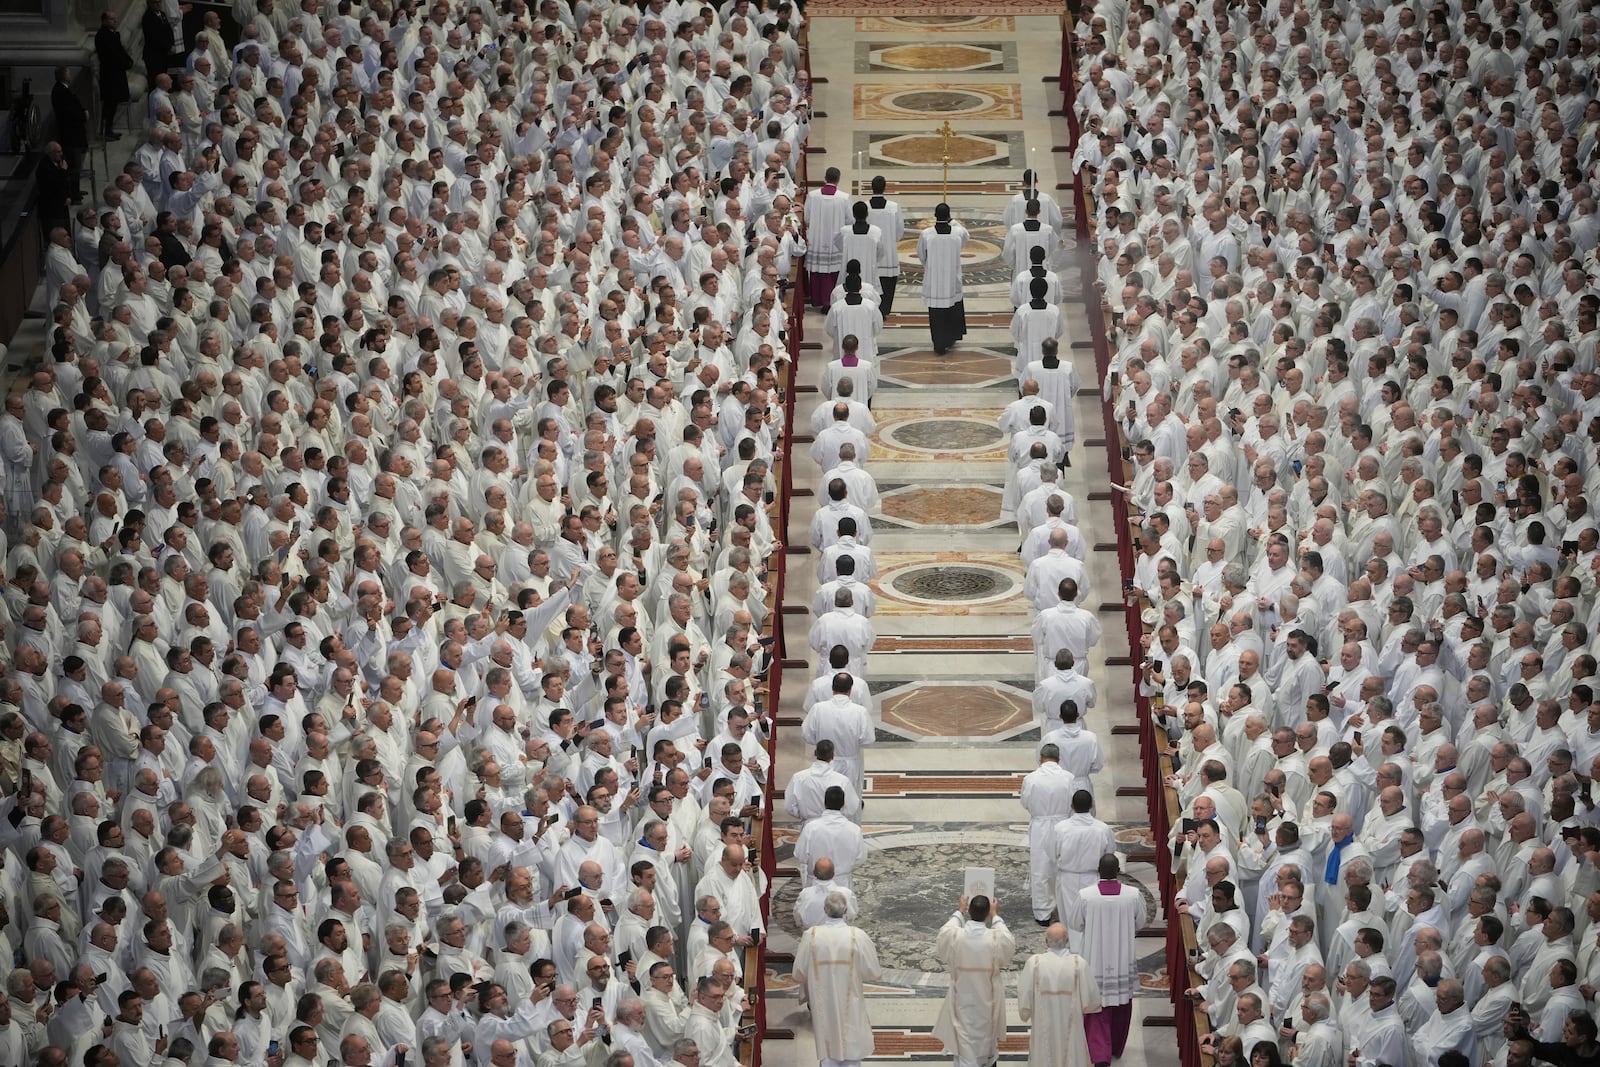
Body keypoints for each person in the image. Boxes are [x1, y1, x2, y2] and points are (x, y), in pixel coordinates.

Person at [792, 891, 882, 1067]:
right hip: (850, 999)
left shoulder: (812, 936)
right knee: (851, 1040)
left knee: (828, 1043)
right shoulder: (857, 936)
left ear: (825, 909)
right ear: (846, 910)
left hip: (823, 999)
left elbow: (799, 972)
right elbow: (872, 971)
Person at [933, 894, 1015, 1067]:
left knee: (963, 1041)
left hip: (962, 999)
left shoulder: (956, 936)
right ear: (987, 914)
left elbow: (944, 934)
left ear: (969, 911)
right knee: (985, 1040)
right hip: (987, 999)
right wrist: (996, 916)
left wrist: (959, 911)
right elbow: (1008, 942)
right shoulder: (995, 939)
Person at [1077, 854, 1141, 1066]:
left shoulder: (1086, 895)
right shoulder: (1132, 895)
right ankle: (1115, 1046)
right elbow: (1140, 922)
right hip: (1122, 957)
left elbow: (1076, 923)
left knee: (1097, 1007)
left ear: (1098, 870)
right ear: (1118, 871)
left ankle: (1099, 1054)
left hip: (1096, 958)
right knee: (1121, 1004)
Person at [1018, 923, 1101, 1067]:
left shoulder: (1034, 963)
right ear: (1068, 940)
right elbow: (1092, 1002)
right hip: (1072, 1027)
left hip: (1042, 1028)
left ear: (1045, 941)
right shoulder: (1079, 964)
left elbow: (1025, 998)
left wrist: (1025, 1012)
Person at [916, 203, 969, 355]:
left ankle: (938, 343)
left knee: (935, 313)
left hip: (934, 279)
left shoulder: (927, 234)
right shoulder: (957, 233)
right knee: (950, 309)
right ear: (948, 216)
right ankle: (948, 339)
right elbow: (966, 236)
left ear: (934, 216)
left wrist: (930, 266)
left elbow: (921, 254)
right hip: (951, 278)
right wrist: (952, 221)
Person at [863, 176, 904, 316]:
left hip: (870, 253)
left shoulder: (865, 207)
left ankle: (872, 309)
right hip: (889, 253)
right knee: (888, 283)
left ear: (871, 187)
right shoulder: (894, 207)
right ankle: (884, 310)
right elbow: (900, 231)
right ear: (885, 187)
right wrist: (891, 241)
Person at [93, 12, 132, 137]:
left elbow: (120, 51)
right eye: (111, 19)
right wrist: (125, 63)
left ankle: (108, 130)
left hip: (116, 74)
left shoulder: (113, 35)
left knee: (113, 104)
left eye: (115, 19)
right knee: (109, 104)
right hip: (110, 75)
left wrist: (128, 61)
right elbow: (112, 55)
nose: (114, 21)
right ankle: (106, 131)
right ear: (104, 20)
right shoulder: (102, 36)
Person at [49, 68, 87, 192]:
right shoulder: (61, 91)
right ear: (64, 76)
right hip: (71, 134)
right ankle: (74, 192)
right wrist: (83, 115)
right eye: (69, 73)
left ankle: (75, 189)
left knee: (74, 163)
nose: (71, 76)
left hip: (72, 133)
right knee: (74, 163)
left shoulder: (62, 89)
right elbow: (70, 113)